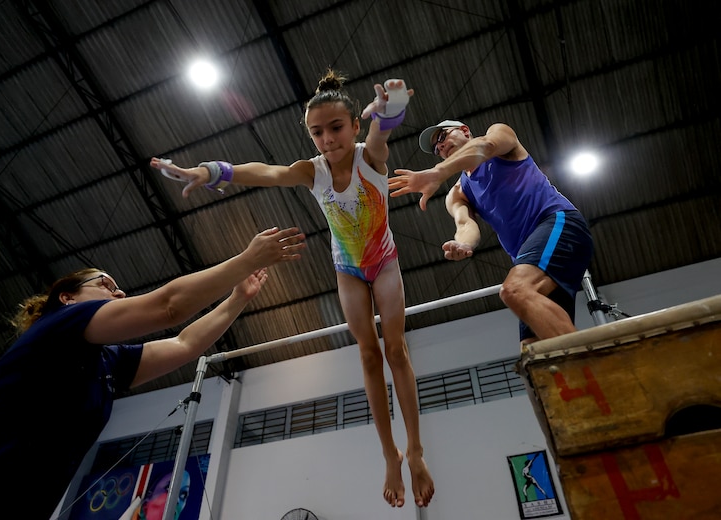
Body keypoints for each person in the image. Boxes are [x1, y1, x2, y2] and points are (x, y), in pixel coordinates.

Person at [150, 70, 434, 509]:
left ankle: (414, 450)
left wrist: (390, 110)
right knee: (366, 354)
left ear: (354, 125)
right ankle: (389, 455)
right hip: (347, 270)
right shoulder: (312, 171)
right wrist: (208, 171)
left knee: (395, 350)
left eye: (336, 128)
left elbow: (381, 139)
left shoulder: (368, 157)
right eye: (317, 132)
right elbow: (265, 172)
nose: (327, 139)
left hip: (385, 263)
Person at [0, 226, 306, 520]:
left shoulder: (107, 362)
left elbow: (183, 345)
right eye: (105, 284)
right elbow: (169, 307)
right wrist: (244, 261)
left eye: (118, 288)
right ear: (66, 297)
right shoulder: (59, 325)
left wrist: (238, 298)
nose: (119, 292)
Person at [388, 120, 593, 347]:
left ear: (464, 130)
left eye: (442, 137)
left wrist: (437, 173)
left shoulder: (499, 135)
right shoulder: (457, 192)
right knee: (532, 348)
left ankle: (590, 365)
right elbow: (465, 225)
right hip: (528, 254)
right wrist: (464, 244)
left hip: (557, 223)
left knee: (515, 290)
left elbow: (485, 146)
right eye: (437, 149)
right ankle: (586, 379)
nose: (441, 147)